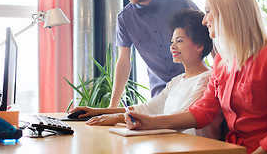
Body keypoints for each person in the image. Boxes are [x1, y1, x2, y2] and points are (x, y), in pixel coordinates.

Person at [124, 0, 267, 154]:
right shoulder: (221, 62)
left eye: (208, 12)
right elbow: (202, 111)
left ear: (229, 14)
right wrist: (150, 122)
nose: (204, 21)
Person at [69, 9, 222, 139]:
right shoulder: (177, 81)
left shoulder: (206, 79)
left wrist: (118, 118)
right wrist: (97, 111)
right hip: (172, 145)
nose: (172, 47)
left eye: (179, 41)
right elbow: (146, 108)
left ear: (200, 46)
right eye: (172, 41)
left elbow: (178, 118)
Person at [110, 0, 198, 107]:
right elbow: (124, 61)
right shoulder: (124, 18)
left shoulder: (178, 0)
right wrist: (112, 106)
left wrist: (220, 74)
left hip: (193, 83)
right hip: (161, 92)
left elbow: (208, 32)